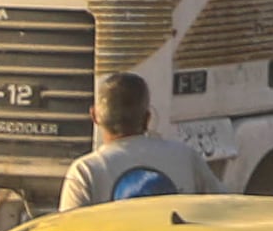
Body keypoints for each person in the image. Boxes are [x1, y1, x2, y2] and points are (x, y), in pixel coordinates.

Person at [61, 74, 199, 210]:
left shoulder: (85, 171)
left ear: (94, 116)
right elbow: (219, 207)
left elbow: (66, 228)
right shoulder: (186, 157)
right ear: (147, 119)